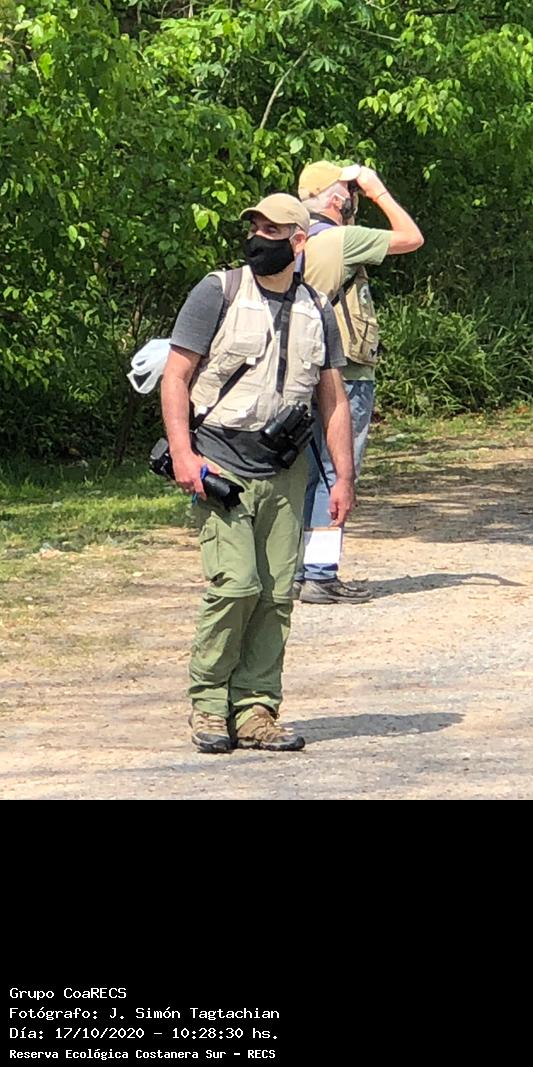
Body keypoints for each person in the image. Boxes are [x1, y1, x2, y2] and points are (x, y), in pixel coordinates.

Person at [161, 193, 354, 754]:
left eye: (273, 231)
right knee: (237, 584)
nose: (259, 239)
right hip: (219, 459)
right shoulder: (217, 291)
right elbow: (176, 377)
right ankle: (208, 704)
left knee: (276, 594)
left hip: (286, 470)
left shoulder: (317, 308)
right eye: (256, 228)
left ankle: (255, 711)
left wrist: (344, 478)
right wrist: (183, 454)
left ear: (299, 241)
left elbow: (333, 398)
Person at [294, 159, 424, 604]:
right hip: (346, 374)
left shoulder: (296, 239)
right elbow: (412, 237)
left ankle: (297, 571)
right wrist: (375, 189)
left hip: (304, 374)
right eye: (348, 192)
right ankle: (321, 573)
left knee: (308, 473)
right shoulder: (342, 239)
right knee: (337, 473)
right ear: (336, 198)